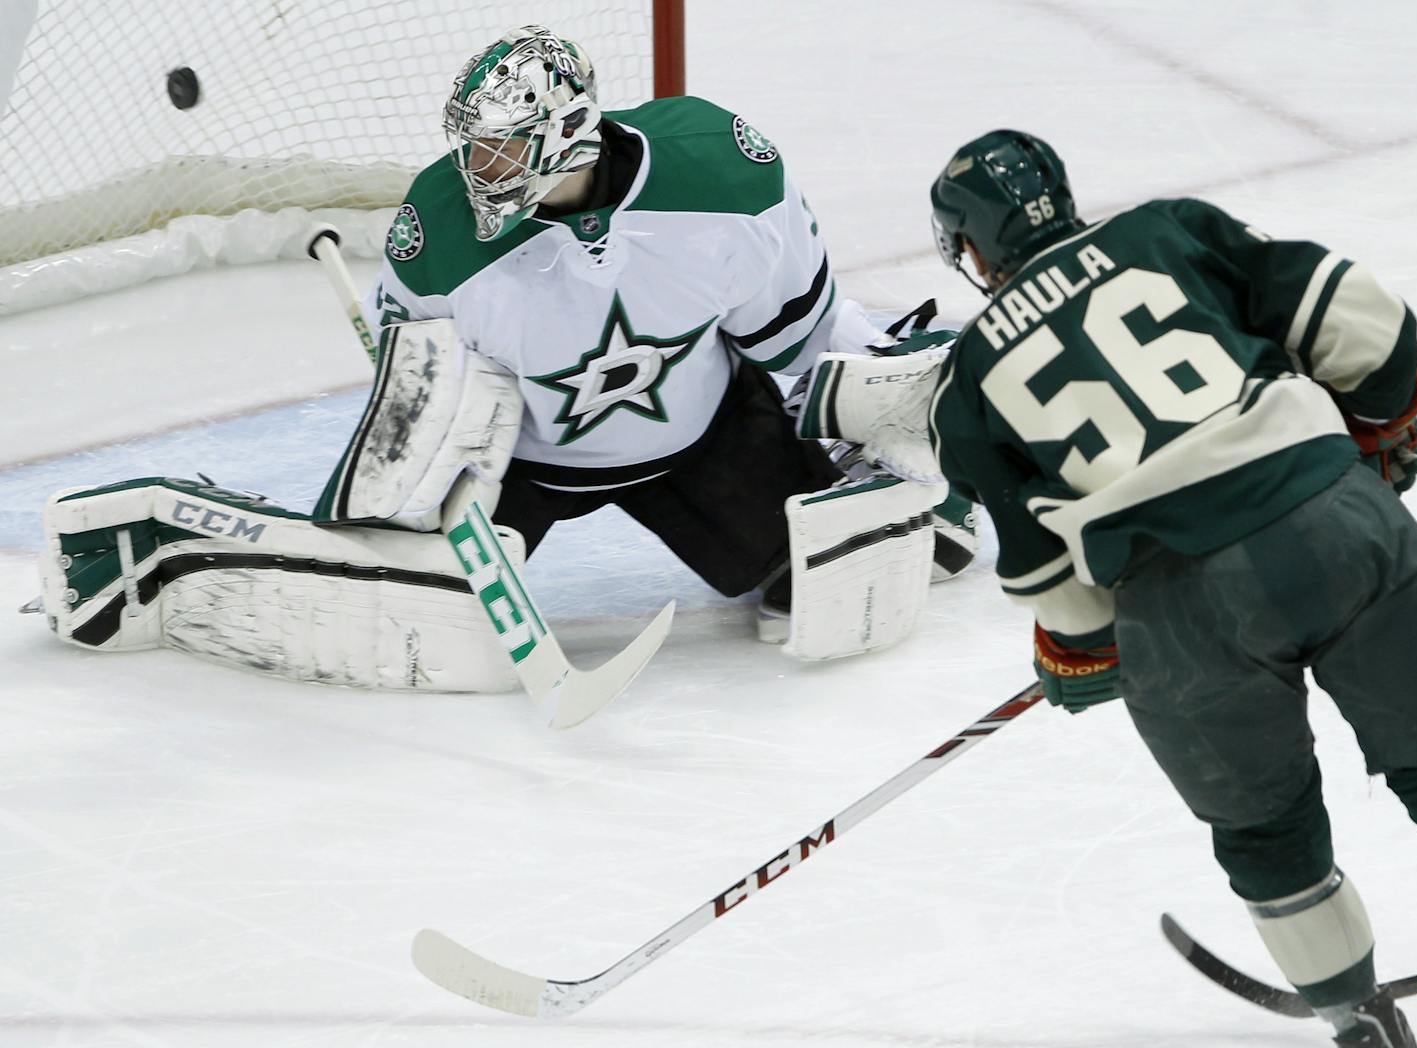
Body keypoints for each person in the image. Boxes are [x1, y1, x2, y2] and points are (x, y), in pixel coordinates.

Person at [924, 130, 1417, 1045]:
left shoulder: (966, 380)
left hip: (1184, 609)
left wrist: (1083, 654)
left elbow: (1055, 586)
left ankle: (1357, 1019)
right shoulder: (1168, 230)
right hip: (1335, 520)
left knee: (1267, 832)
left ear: (974, 249)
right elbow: (1368, 321)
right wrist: (1379, 422)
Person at [354, 24, 977, 643]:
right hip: (520, 464)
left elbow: (796, 332)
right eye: (471, 148)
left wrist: (890, 404)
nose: (476, 171)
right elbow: (420, 402)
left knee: (826, 581)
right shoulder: (437, 228)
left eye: (499, 149)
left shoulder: (719, 176)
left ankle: (926, 408)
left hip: (705, 440)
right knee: (414, 621)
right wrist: (408, 492)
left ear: (566, 131)